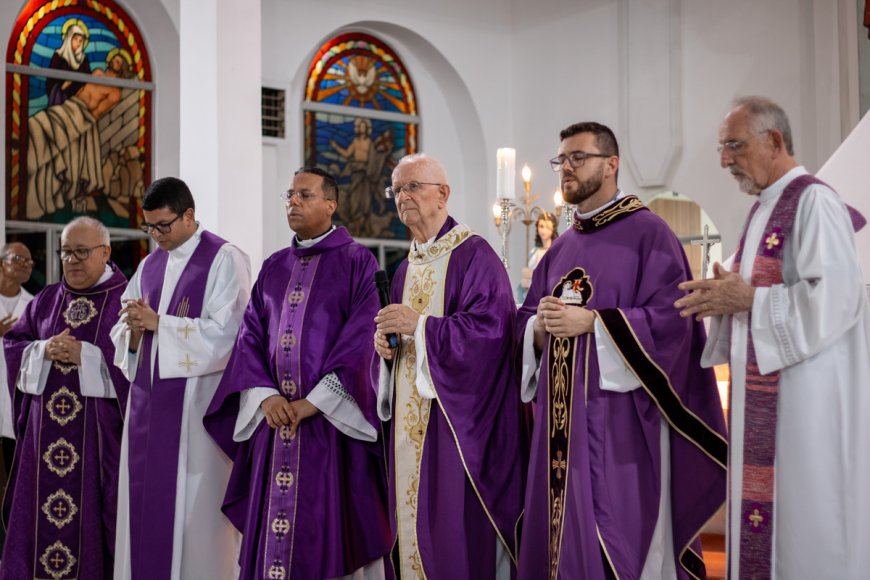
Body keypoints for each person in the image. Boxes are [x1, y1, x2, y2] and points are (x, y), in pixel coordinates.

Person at [517, 122, 727, 579]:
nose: (566, 169)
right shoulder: (560, 248)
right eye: (561, 160)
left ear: (611, 165)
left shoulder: (650, 234)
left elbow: (674, 322)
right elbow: (526, 321)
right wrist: (539, 328)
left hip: (622, 427)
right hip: (559, 429)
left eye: (578, 158)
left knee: (619, 544)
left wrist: (593, 322)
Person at [675, 96, 870, 579]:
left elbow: (838, 300)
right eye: (722, 148)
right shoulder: (765, 208)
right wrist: (724, 296)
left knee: (808, 528)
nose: (724, 160)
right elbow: (749, 293)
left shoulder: (815, 202)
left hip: (809, 410)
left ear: (775, 141)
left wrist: (749, 302)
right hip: (770, 405)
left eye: (734, 146)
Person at [204, 167, 392, 579]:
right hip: (275, 426)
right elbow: (249, 336)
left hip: (329, 430)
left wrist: (313, 402)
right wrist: (266, 397)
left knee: (329, 533)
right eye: (289, 195)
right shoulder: (274, 266)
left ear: (331, 204)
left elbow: (362, 337)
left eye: (304, 195)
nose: (293, 202)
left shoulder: (357, 262)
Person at [374, 153, 524, 579]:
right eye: (397, 189)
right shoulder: (404, 268)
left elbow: (492, 335)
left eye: (413, 187)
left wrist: (420, 327)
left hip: (455, 430)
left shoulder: (475, 257)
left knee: (451, 537)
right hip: (407, 431)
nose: (403, 197)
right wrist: (385, 351)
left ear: (443, 194)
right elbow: (404, 345)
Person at [110, 177, 251, 579]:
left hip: (196, 415)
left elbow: (231, 335)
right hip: (148, 410)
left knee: (195, 525)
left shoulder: (225, 258)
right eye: (149, 227)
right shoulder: (149, 264)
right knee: (144, 516)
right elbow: (126, 332)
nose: (156, 237)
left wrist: (160, 324)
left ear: (189, 215)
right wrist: (133, 329)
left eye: (163, 226)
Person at [1, 217, 128, 580]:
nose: (71, 260)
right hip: (41, 446)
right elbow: (14, 345)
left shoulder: (125, 301)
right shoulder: (46, 299)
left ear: (106, 252)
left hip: (98, 446)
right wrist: (42, 350)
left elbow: (137, 373)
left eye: (82, 252)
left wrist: (86, 356)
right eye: (66, 252)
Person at [0, 243, 35, 448]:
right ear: (2, 265)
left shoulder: (33, 306)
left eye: (29, 262)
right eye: (18, 259)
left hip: (17, 398)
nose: (26, 265)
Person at [46, 19, 92, 106]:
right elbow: (50, 82)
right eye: (75, 39)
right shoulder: (58, 56)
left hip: (80, 98)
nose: (78, 43)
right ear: (69, 38)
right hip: (61, 98)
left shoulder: (83, 59)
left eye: (80, 41)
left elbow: (88, 79)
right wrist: (62, 86)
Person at [517, 211, 559, 302]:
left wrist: (532, 274)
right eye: (541, 226)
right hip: (532, 292)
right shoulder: (534, 251)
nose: (543, 231)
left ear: (553, 228)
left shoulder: (554, 252)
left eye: (547, 227)